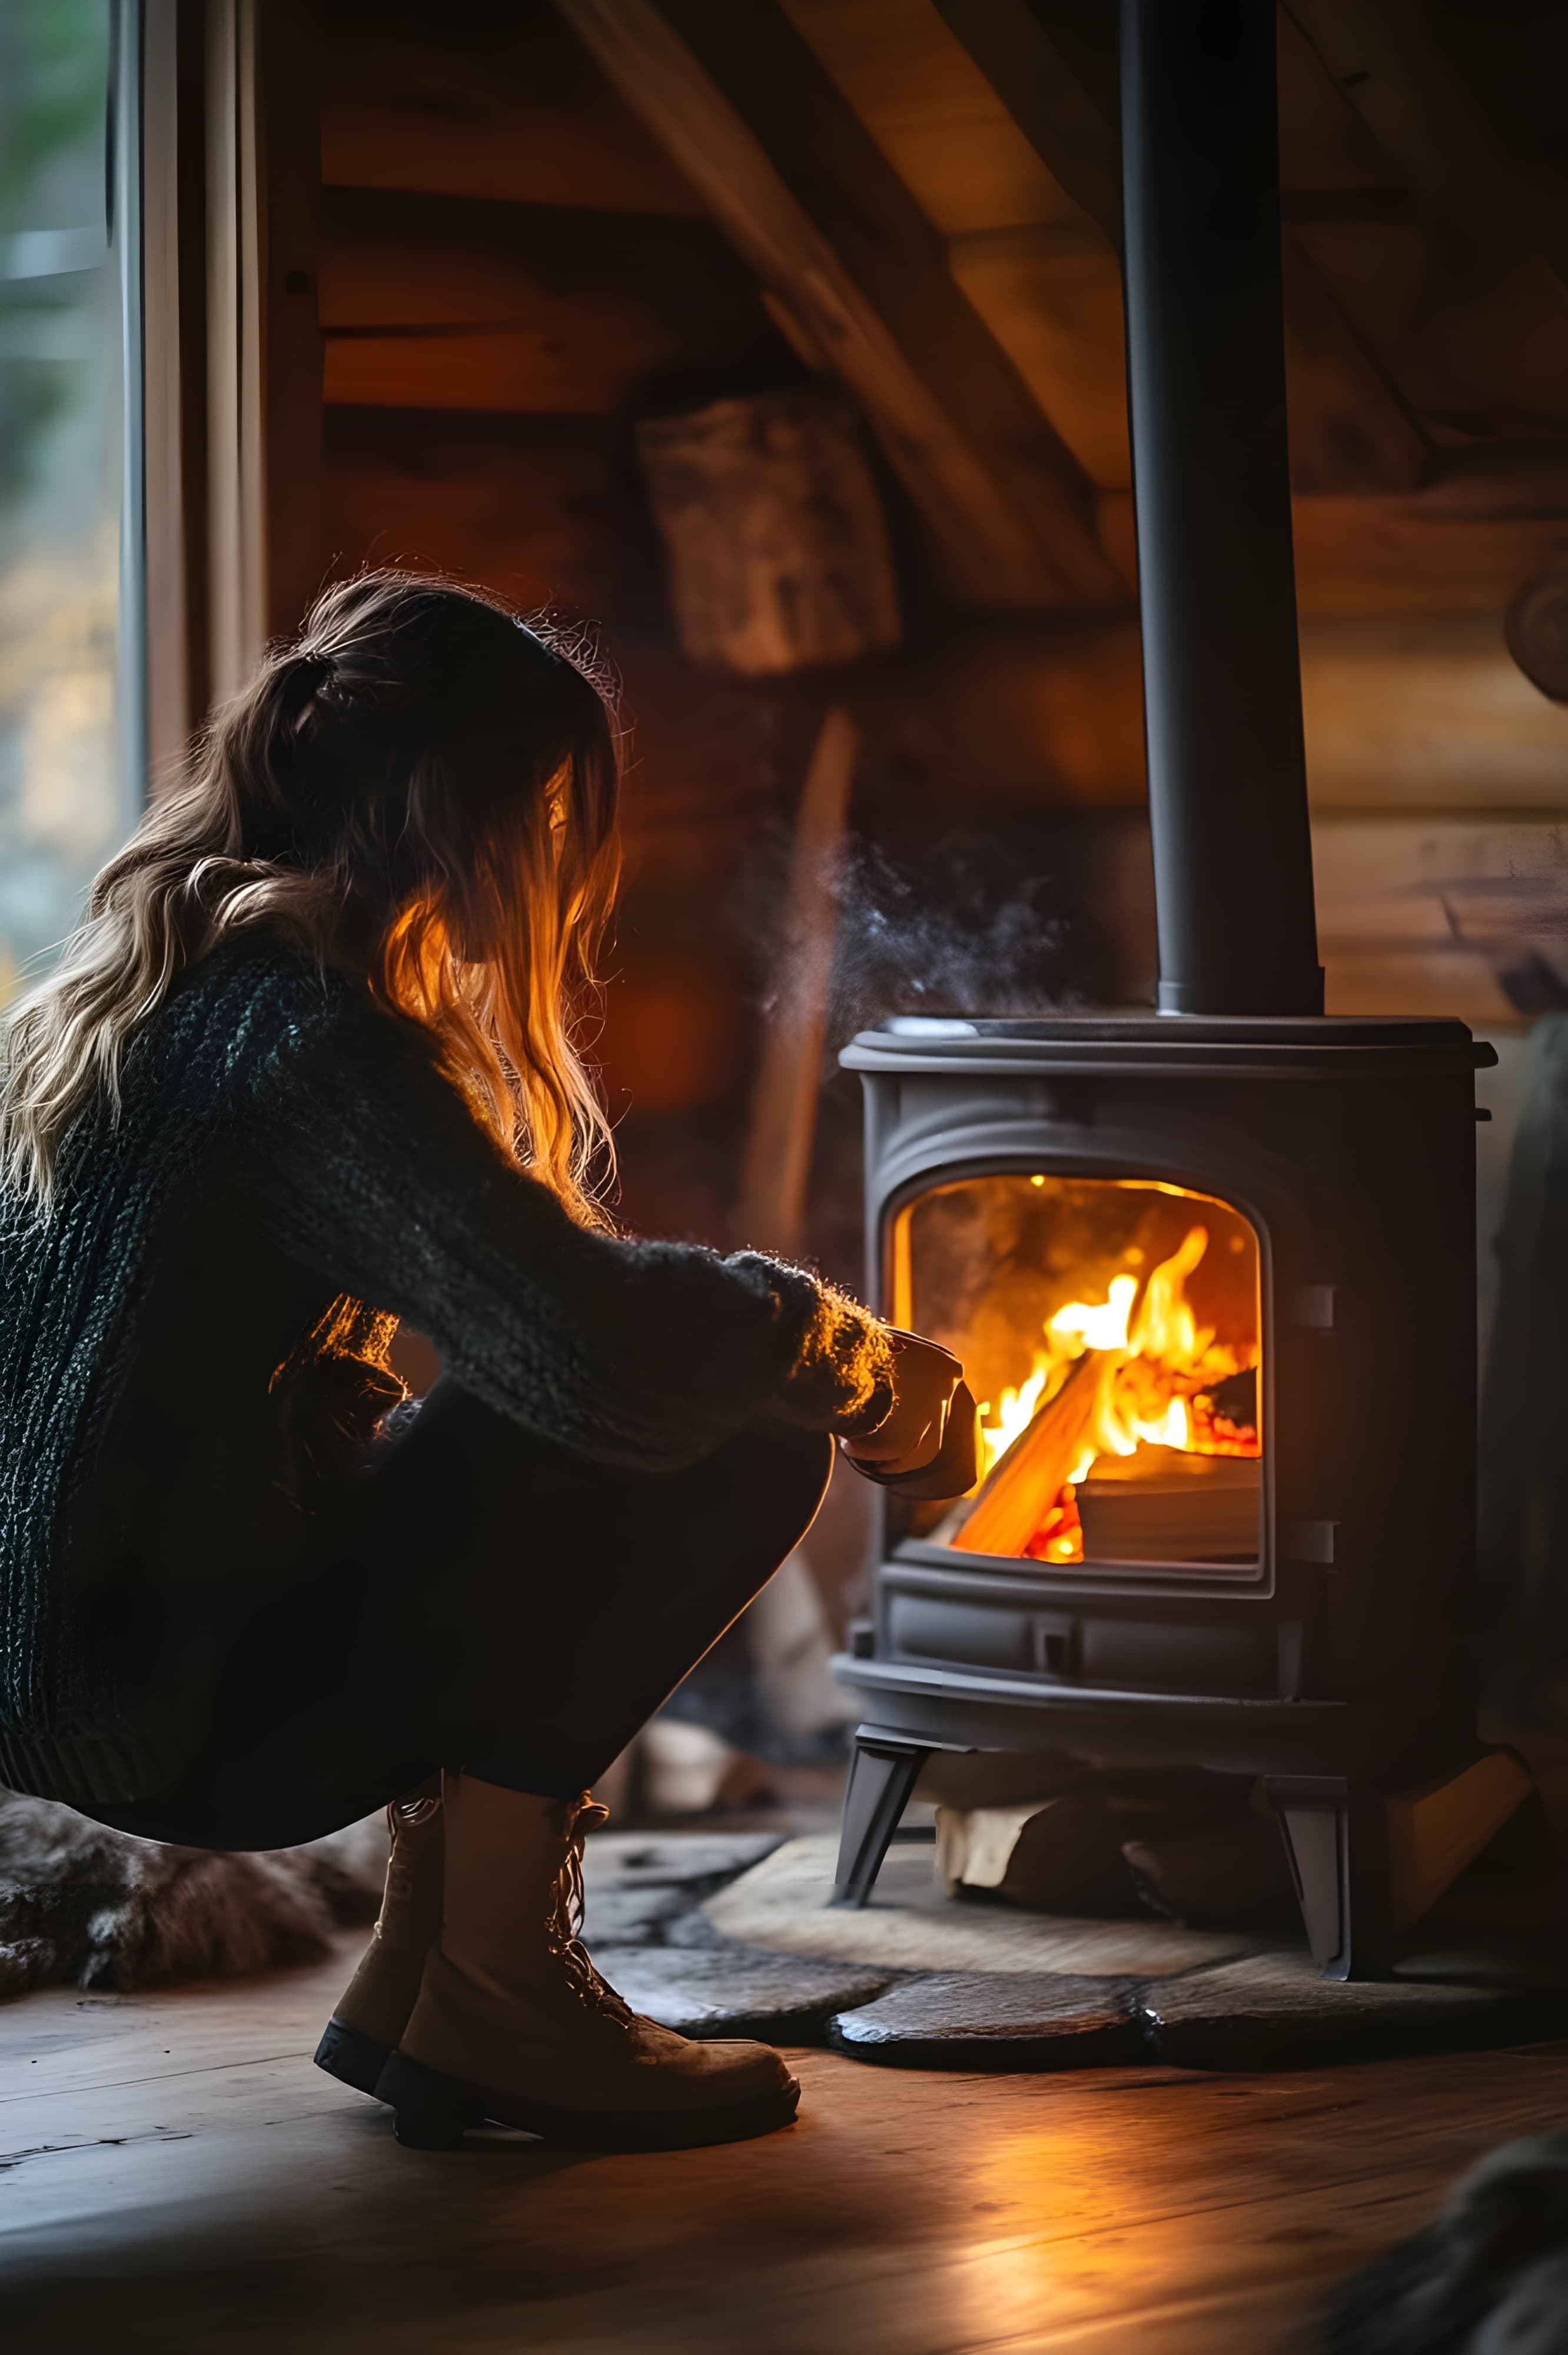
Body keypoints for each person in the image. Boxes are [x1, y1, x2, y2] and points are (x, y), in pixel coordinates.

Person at [0, 570, 968, 2152]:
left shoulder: (137, 987)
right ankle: (502, 1989)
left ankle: (425, 1976)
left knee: (603, 1389)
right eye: (561, 825)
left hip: (59, 1687)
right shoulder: (307, 1042)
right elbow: (597, 1350)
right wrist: (856, 1362)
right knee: (735, 1414)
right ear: (483, 821)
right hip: (185, 1715)